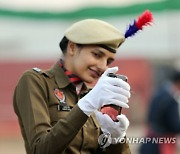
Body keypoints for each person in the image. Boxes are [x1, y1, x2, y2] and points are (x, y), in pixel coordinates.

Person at [13, 19, 132, 154]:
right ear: (72, 48)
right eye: (97, 55)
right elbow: (40, 149)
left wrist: (116, 139)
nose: (103, 66)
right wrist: (85, 106)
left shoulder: (94, 97)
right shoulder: (37, 82)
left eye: (108, 61)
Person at [139, 68, 180, 154]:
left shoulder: (160, 93)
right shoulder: (170, 99)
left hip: (151, 139)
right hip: (162, 143)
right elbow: (174, 125)